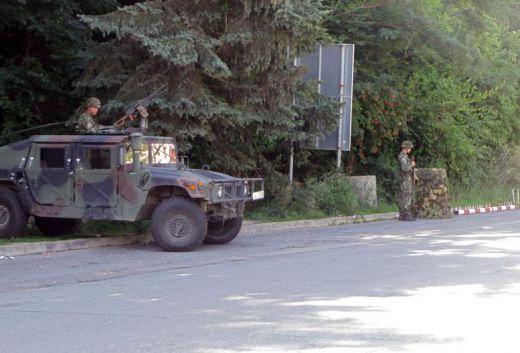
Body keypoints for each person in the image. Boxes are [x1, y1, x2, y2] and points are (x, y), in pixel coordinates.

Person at [398, 140, 417, 221]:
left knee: (406, 195)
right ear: (406, 147)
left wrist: (413, 174)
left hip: (407, 178)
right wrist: (411, 164)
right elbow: (404, 168)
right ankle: (405, 214)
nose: (410, 149)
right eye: (410, 148)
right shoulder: (402, 156)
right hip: (405, 179)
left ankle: (404, 214)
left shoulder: (405, 156)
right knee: (406, 195)